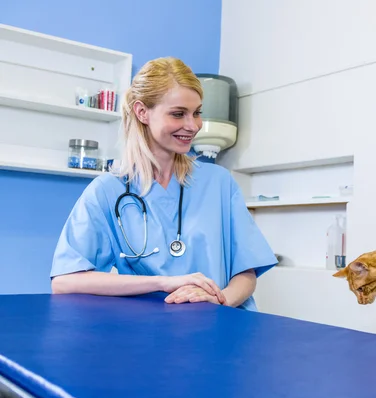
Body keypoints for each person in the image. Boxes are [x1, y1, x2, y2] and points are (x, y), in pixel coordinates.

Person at [50, 57, 277, 311]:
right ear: (142, 112)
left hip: (221, 326)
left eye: (197, 113)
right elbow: (65, 281)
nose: (193, 126)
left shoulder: (219, 183)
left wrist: (218, 300)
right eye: (178, 114)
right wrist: (163, 282)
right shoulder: (107, 192)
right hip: (149, 333)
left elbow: (246, 274)